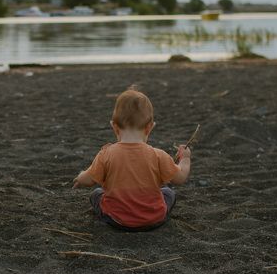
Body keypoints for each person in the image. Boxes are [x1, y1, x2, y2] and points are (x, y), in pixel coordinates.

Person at [73, 87, 191, 231]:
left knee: (96, 194)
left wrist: (80, 177)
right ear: (149, 128)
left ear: (115, 127)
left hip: (116, 220)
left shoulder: (106, 154)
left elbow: (88, 179)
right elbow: (180, 178)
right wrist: (185, 159)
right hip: (153, 220)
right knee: (168, 192)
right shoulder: (159, 155)